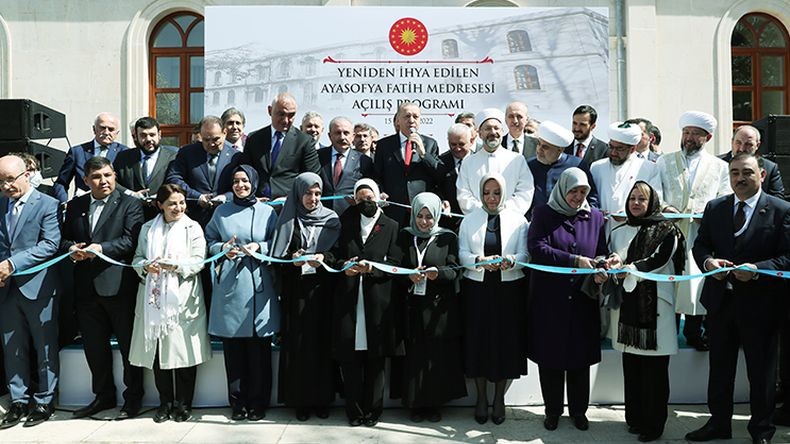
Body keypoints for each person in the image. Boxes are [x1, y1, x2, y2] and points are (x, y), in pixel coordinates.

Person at [686, 153, 790, 444]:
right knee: (720, 369)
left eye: (747, 172)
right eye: (734, 173)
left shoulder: (781, 210)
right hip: (721, 303)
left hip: (762, 306)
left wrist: (758, 270)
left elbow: (787, 257)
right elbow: (700, 245)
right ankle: (718, 424)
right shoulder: (716, 207)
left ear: (762, 175)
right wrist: (709, 263)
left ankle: (761, 430)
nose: (740, 178)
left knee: (761, 372)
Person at [61, 156, 144, 420]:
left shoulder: (130, 203)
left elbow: (131, 240)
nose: (103, 181)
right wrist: (71, 249)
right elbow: (63, 239)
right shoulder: (75, 205)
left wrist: (101, 248)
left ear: (115, 176)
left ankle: (133, 399)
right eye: (96, 177)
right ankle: (103, 396)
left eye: (108, 175)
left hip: (119, 287)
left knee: (129, 347)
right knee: (94, 348)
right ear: (86, 180)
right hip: (86, 289)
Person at [527, 167, 608, 432]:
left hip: (583, 299)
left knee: (579, 359)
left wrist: (601, 266)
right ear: (562, 189)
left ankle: (578, 411)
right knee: (551, 358)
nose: (577, 197)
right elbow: (536, 247)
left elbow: (601, 251)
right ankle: (552, 411)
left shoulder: (595, 217)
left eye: (583, 191)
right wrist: (573, 260)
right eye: (573, 191)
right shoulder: (543, 213)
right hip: (550, 300)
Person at [608, 181, 685, 442]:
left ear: (652, 202)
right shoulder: (619, 230)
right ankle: (635, 419)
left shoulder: (667, 230)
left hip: (656, 311)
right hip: (627, 310)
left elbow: (659, 260)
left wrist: (629, 268)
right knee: (632, 367)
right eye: (632, 198)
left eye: (642, 199)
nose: (636, 203)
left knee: (654, 372)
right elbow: (614, 255)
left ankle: (653, 425)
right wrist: (614, 261)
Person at [129, 184, 212, 423]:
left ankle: (184, 404)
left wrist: (175, 266)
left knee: (183, 352)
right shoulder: (148, 228)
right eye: (172, 203)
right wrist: (145, 266)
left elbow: (199, 261)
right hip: (153, 298)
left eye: (182, 202)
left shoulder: (192, 227)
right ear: (160, 205)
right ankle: (164, 403)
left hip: (182, 298)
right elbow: (137, 258)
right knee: (158, 353)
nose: (178, 207)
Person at [204, 165, 280, 421]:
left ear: (254, 183)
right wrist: (223, 248)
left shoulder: (267, 212)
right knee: (234, 351)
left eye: (245, 180)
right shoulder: (221, 211)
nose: (240, 185)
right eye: (236, 181)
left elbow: (278, 241)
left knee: (259, 352)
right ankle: (238, 403)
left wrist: (260, 246)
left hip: (259, 285)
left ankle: (258, 403)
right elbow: (209, 241)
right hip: (231, 286)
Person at [330, 178, 403, 427]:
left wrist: (373, 269)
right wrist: (345, 266)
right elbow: (336, 255)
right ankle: (354, 411)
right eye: (360, 199)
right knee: (350, 360)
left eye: (369, 198)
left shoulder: (391, 225)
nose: (365, 203)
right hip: (349, 300)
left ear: (378, 197)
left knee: (376, 360)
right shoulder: (346, 222)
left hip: (378, 302)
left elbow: (396, 262)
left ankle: (373, 410)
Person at [458, 173, 529, 425]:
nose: (491, 198)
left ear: (505, 193)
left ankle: (499, 399)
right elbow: (462, 253)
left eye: (496, 192)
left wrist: (511, 261)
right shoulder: (469, 220)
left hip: (508, 291)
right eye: (487, 192)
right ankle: (481, 398)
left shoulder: (518, 220)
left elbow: (525, 255)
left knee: (505, 343)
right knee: (479, 340)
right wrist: (478, 261)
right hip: (477, 290)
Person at [656, 111, 730, 352]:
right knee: (670, 283)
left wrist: (707, 214)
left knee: (695, 285)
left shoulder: (720, 167)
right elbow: (655, 192)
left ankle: (693, 332)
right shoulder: (664, 161)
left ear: (707, 137)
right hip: (670, 233)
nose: (688, 138)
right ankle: (667, 331)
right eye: (686, 132)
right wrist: (667, 208)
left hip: (701, 234)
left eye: (695, 134)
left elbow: (725, 197)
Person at [272, 172, 341, 421]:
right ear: (298, 194)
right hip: (296, 293)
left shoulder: (331, 219)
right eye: (308, 193)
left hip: (322, 292)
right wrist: (292, 259)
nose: (313, 198)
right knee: (299, 346)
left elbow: (338, 253)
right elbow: (278, 258)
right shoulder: (288, 219)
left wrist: (324, 258)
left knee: (322, 345)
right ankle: (300, 400)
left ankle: (322, 399)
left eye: (318, 193)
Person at [0, 155, 60, 428]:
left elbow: (50, 244)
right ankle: (18, 401)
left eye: (10, 179)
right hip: (6, 290)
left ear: (26, 174)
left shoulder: (47, 204)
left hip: (38, 287)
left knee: (44, 347)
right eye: (1, 181)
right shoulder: (1, 204)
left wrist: (12, 264)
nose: (6, 186)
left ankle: (45, 401)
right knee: (12, 348)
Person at [398, 192, 467, 423]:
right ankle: (415, 404)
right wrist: (408, 276)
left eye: (429, 216)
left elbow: (455, 269)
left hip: (438, 308)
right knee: (415, 357)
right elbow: (396, 267)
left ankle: (435, 404)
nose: (424, 222)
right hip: (413, 306)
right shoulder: (405, 236)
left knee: (436, 358)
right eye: (420, 216)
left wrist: (438, 274)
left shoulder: (447, 237)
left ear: (437, 215)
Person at [165, 115, 242, 227]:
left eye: (216, 139)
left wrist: (225, 197)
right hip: (194, 219)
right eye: (206, 140)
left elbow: (241, 184)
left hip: (226, 219)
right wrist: (197, 197)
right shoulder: (187, 153)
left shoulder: (236, 157)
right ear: (201, 136)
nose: (211, 144)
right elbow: (174, 178)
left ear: (224, 133)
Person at [373, 102, 441, 226]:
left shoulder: (430, 144)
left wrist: (424, 154)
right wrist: (380, 192)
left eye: (415, 117)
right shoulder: (384, 145)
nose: (411, 120)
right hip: (393, 209)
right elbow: (377, 175)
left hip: (421, 211)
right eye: (407, 116)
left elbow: (438, 173)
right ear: (398, 121)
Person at [456, 108, 534, 215]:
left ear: (502, 132)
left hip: (510, 219)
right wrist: (483, 210)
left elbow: (525, 191)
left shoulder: (517, 160)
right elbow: (464, 195)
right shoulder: (468, 162)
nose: (493, 132)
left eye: (496, 128)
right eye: (488, 129)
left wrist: (503, 209)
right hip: (477, 219)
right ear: (480, 134)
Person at [243, 92, 320, 199]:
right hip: (258, 201)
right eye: (281, 114)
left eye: (291, 115)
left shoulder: (304, 141)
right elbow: (245, 172)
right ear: (270, 111)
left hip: (289, 203)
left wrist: (291, 199)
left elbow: (311, 177)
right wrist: (252, 197)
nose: (285, 120)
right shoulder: (254, 138)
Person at [590, 121, 662, 235]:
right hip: (601, 231)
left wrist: (629, 213)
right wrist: (597, 213)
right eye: (611, 147)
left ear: (632, 149)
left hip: (633, 232)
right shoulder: (596, 167)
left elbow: (656, 202)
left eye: (619, 149)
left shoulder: (649, 168)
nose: (613, 152)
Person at [52, 112, 128, 204]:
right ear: (94, 129)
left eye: (111, 129)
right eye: (102, 128)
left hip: (114, 205)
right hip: (83, 205)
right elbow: (61, 182)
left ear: (117, 133)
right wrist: (63, 203)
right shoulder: (77, 152)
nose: (106, 132)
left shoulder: (124, 152)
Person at [113, 117, 178, 220]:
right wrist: (131, 194)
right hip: (131, 216)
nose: (148, 139)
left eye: (152, 135)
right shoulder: (123, 157)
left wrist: (162, 196)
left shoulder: (173, 157)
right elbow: (112, 182)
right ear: (135, 137)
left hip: (163, 216)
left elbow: (179, 183)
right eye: (143, 135)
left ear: (159, 135)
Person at [317, 117, 374, 217]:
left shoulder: (364, 161)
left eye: (346, 133)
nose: (342, 137)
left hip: (351, 216)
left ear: (353, 136)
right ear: (330, 136)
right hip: (321, 214)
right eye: (338, 133)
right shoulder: (318, 156)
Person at [526, 120, 580, 220]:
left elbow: (590, 197)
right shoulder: (529, 165)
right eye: (539, 144)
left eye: (545, 147)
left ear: (560, 150)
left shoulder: (576, 165)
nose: (539, 149)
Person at [718, 125, 784, 198]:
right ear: (732, 142)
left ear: (757, 145)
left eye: (748, 144)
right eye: (738, 142)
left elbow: (777, 198)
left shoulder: (769, 168)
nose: (742, 149)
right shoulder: (717, 164)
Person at [437, 123, 474, 230]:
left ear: (471, 141)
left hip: (474, 219)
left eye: (461, 144)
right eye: (453, 144)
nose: (457, 149)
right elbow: (435, 186)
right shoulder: (440, 161)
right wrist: (441, 201)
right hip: (448, 222)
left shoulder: (480, 161)